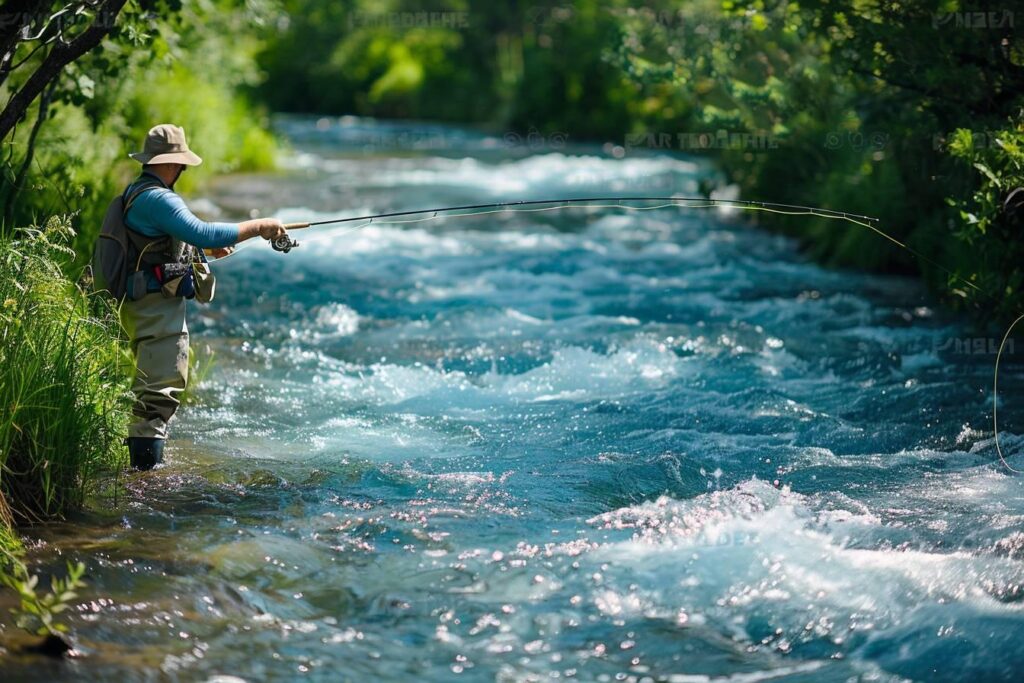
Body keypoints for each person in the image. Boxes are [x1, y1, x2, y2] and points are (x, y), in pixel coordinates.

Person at [121, 123, 287, 470]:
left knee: (156, 388)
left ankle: (142, 478)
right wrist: (259, 227)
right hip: (153, 308)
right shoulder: (157, 197)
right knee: (158, 395)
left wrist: (206, 249)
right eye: (182, 164)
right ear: (173, 163)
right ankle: (144, 482)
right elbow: (201, 230)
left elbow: (169, 241)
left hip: (146, 303)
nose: (182, 170)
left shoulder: (140, 191)